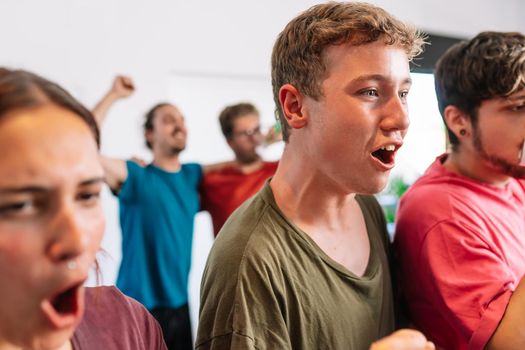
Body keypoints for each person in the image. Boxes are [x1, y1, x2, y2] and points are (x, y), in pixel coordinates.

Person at [196, 2, 433, 349]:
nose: (401, 118)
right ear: (295, 106)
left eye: (403, 93)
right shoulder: (250, 262)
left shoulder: (365, 206)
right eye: (370, 92)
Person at [0, 68, 167, 349]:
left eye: (87, 195)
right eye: (23, 205)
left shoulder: (131, 326)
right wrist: (113, 95)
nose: (77, 240)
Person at [394, 31, 525, 350]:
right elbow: (508, 344)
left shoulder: (512, 177)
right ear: (460, 122)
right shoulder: (439, 211)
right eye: (518, 107)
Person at [92, 76, 201, 350]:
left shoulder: (193, 175)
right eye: (168, 119)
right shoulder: (135, 176)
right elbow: (84, 149)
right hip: (135, 305)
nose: (179, 124)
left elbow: (242, 168)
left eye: (181, 118)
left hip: (179, 308)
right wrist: (113, 95)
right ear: (149, 135)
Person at [200, 102, 279, 236]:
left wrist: (287, 135)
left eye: (257, 129)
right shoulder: (213, 180)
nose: (254, 138)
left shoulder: (279, 170)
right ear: (230, 142)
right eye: (245, 133)